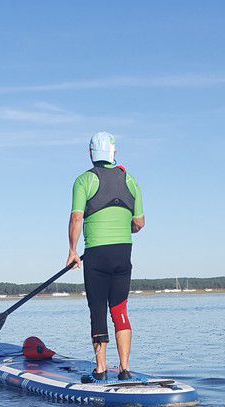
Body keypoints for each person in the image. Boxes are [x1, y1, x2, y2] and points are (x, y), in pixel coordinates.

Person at [66, 132, 145, 381]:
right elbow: (139, 223)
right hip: (123, 253)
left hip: (96, 255)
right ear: (114, 153)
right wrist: (125, 227)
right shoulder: (131, 180)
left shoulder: (84, 181)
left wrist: (72, 251)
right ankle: (124, 368)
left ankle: (100, 370)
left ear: (91, 154)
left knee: (98, 309)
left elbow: (77, 217)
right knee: (120, 309)